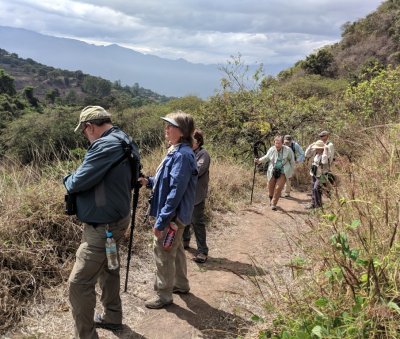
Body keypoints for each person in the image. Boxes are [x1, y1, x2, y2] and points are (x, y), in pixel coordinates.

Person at [64, 106, 139, 338]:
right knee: (109, 268)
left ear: (90, 126)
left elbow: (76, 182)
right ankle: (113, 317)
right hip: (118, 218)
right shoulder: (124, 139)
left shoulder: (105, 145)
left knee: (79, 283)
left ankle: (86, 335)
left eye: (84, 131)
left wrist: (67, 178)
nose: (86, 136)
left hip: (103, 227)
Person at [139, 111, 198, 309]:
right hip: (177, 214)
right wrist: (149, 182)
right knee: (177, 248)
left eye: (170, 126)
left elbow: (175, 191)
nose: (166, 129)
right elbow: (167, 182)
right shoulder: (178, 150)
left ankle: (163, 295)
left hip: (172, 214)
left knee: (163, 251)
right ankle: (180, 284)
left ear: (181, 132)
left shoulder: (181, 155)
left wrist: (162, 219)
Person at [183, 129, 211, 264]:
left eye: (192, 140)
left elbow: (197, 171)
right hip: (186, 193)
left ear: (198, 142)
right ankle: (185, 241)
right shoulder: (188, 152)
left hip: (197, 194)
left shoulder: (203, 154)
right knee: (184, 218)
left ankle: (202, 251)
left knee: (197, 221)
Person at [255, 135, 295, 210]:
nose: (277, 145)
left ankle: (274, 203)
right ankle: (271, 199)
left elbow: (292, 162)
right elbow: (266, 157)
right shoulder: (272, 149)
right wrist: (258, 160)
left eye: (279, 143)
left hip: (283, 171)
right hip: (272, 170)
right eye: (276, 143)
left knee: (278, 187)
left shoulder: (288, 150)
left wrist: (291, 173)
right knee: (270, 187)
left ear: (282, 143)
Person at [304, 140, 330, 209]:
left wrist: (325, 150)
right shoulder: (316, 153)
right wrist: (311, 146)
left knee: (316, 188)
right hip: (314, 174)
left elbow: (324, 161)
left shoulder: (325, 154)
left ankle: (318, 205)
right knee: (313, 189)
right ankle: (313, 204)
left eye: (317, 148)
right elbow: (306, 154)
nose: (316, 149)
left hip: (322, 175)